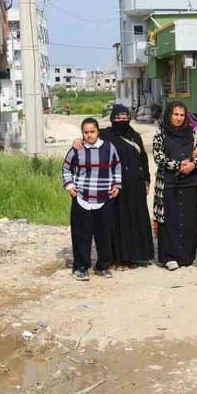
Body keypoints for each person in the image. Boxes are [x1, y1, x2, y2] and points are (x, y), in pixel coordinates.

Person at [63, 117, 123, 280]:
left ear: (98, 131)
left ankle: (103, 266)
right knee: (81, 235)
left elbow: (117, 165)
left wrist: (117, 185)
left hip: (104, 198)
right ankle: (81, 267)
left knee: (104, 235)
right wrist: (69, 185)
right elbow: (66, 167)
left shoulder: (108, 148)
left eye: (92, 132)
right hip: (82, 198)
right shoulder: (76, 148)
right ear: (82, 133)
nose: (89, 135)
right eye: (86, 132)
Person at [101, 104, 154, 267]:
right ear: (112, 119)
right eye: (118, 118)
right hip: (115, 185)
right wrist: (77, 141)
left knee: (134, 219)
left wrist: (146, 180)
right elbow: (88, 137)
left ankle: (134, 255)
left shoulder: (135, 136)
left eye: (124, 118)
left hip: (136, 185)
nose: (121, 120)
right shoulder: (105, 135)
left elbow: (143, 159)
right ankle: (116, 257)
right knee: (117, 219)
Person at [153, 101, 197, 270]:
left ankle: (187, 256)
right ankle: (169, 257)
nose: (179, 118)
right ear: (169, 114)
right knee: (170, 219)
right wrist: (177, 165)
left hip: (189, 181)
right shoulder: (161, 132)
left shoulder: (192, 132)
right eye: (175, 114)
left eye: (182, 115)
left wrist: (192, 164)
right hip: (168, 182)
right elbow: (158, 156)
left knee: (188, 219)